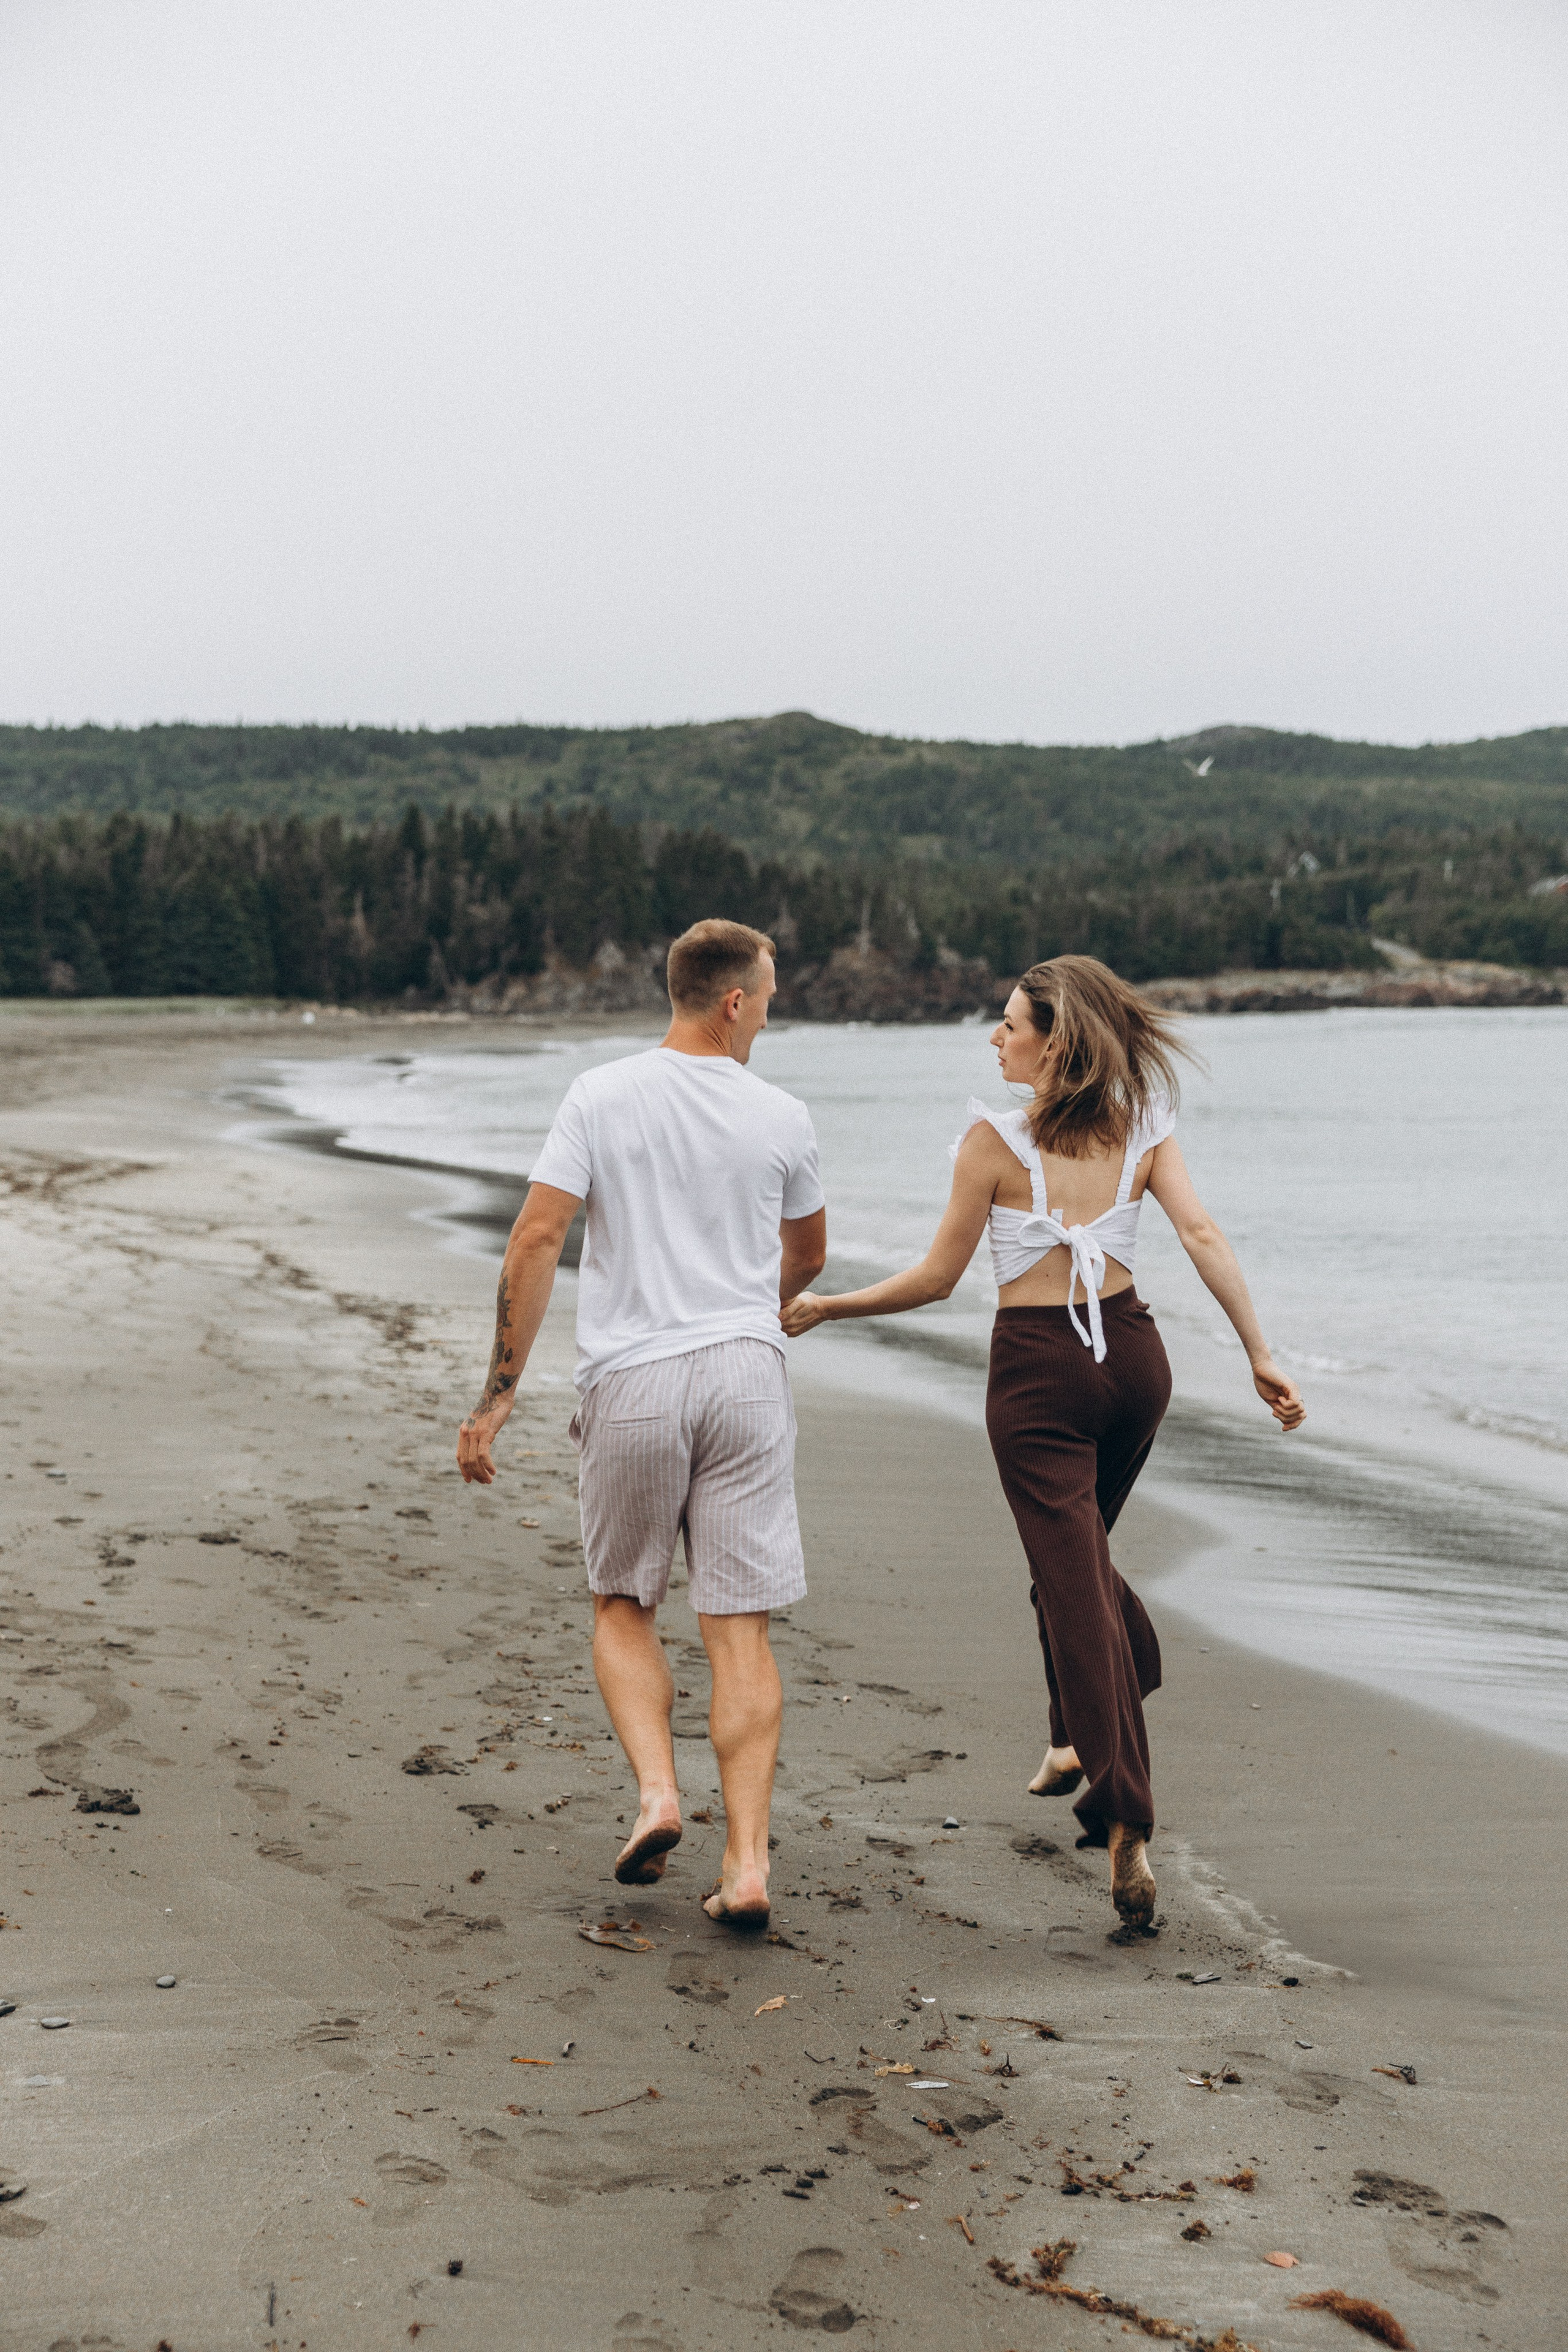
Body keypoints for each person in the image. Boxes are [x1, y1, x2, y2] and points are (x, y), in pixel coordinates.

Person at [781, 954, 1303, 1932]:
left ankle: (1125, 1814)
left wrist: (828, 1306)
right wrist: (1259, 1353)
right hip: (1137, 1368)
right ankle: (1074, 1730)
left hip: (1038, 1383)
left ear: (1053, 1042)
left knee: (1071, 1580)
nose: (995, 1037)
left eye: (1009, 1024)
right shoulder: (1146, 1124)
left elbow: (937, 1280)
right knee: (1075, 1564)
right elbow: (1203, 1237)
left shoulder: (993, 1144)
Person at [456, 918, 826, 1931]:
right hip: (747, 1375)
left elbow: (538, 1237)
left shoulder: (599, 1095)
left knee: (624, 1602)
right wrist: (761, 1302)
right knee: (738, 1629)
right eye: (771, 992)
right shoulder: (783, 1114)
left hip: (634, 1381)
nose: (772, 1008)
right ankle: (746, 1863)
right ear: (734, 1001)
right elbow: (808, 1256)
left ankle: (659, 1795)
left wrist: (499, 1392)